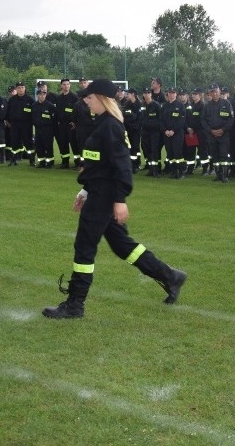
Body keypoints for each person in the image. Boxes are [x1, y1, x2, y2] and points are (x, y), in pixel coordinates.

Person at [43, 79, 187, 319]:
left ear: (101, 98)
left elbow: (122, 166)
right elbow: (98, 164)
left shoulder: (110, 126)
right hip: (98, 192)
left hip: (105, 197)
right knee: (123, 246)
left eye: (89, 97)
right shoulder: (101, 123)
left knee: (84, 247)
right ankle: (170, 277)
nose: (85, 101)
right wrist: (84, 191)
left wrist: (119, 199)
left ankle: (75, 304)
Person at [203, 83, 235, 183]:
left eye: (216, 91)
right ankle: (218, 175)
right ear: (210, 94)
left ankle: (225, 176)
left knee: (224, 155)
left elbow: (231, 119)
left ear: (219, 92)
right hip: (212, 135)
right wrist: (211, 131)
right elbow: (203, 120)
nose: (214, 93)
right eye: (212, 92)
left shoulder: (226, 103)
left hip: (224, 134)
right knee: (215, 155)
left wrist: (223, 130)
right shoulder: (207, 106)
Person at [160, 87, 187, 179]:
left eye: (173, 93)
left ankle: (181, 171)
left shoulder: (180, 105)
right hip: (167, 133)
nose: (171, 94)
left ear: (176, 94)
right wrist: (165, 130)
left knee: (177, 153)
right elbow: (161, 120)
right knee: (170, 153)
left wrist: (173, 130)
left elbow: (181, 120)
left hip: (177, 133)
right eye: (169, 93)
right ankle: (173, 171)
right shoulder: (164, 106)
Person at [53, 78, 79, 169]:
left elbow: (77, 111)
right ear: (61, 86)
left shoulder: (74, 97)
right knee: (63, 144)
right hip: (62, 125)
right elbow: (57, 111)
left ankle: (77, 162)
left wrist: (75, 122)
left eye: (67, 84)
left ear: (70, 85)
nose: (66, 86)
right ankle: (65, 162)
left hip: (71, 125)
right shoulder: (59, 98)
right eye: (64, 84)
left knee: (74, 144)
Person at [31, 88, 56, 168]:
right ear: (37, 95)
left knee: (48, 146)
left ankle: (50, 162)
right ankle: (41, 162)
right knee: (39, 146)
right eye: (40, 94)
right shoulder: (34, 105)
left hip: (48, 129)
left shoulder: (50, 106)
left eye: (44, 94)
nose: (42, 96)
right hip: (38, 129)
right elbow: (32, 117)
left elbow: (54, 119)